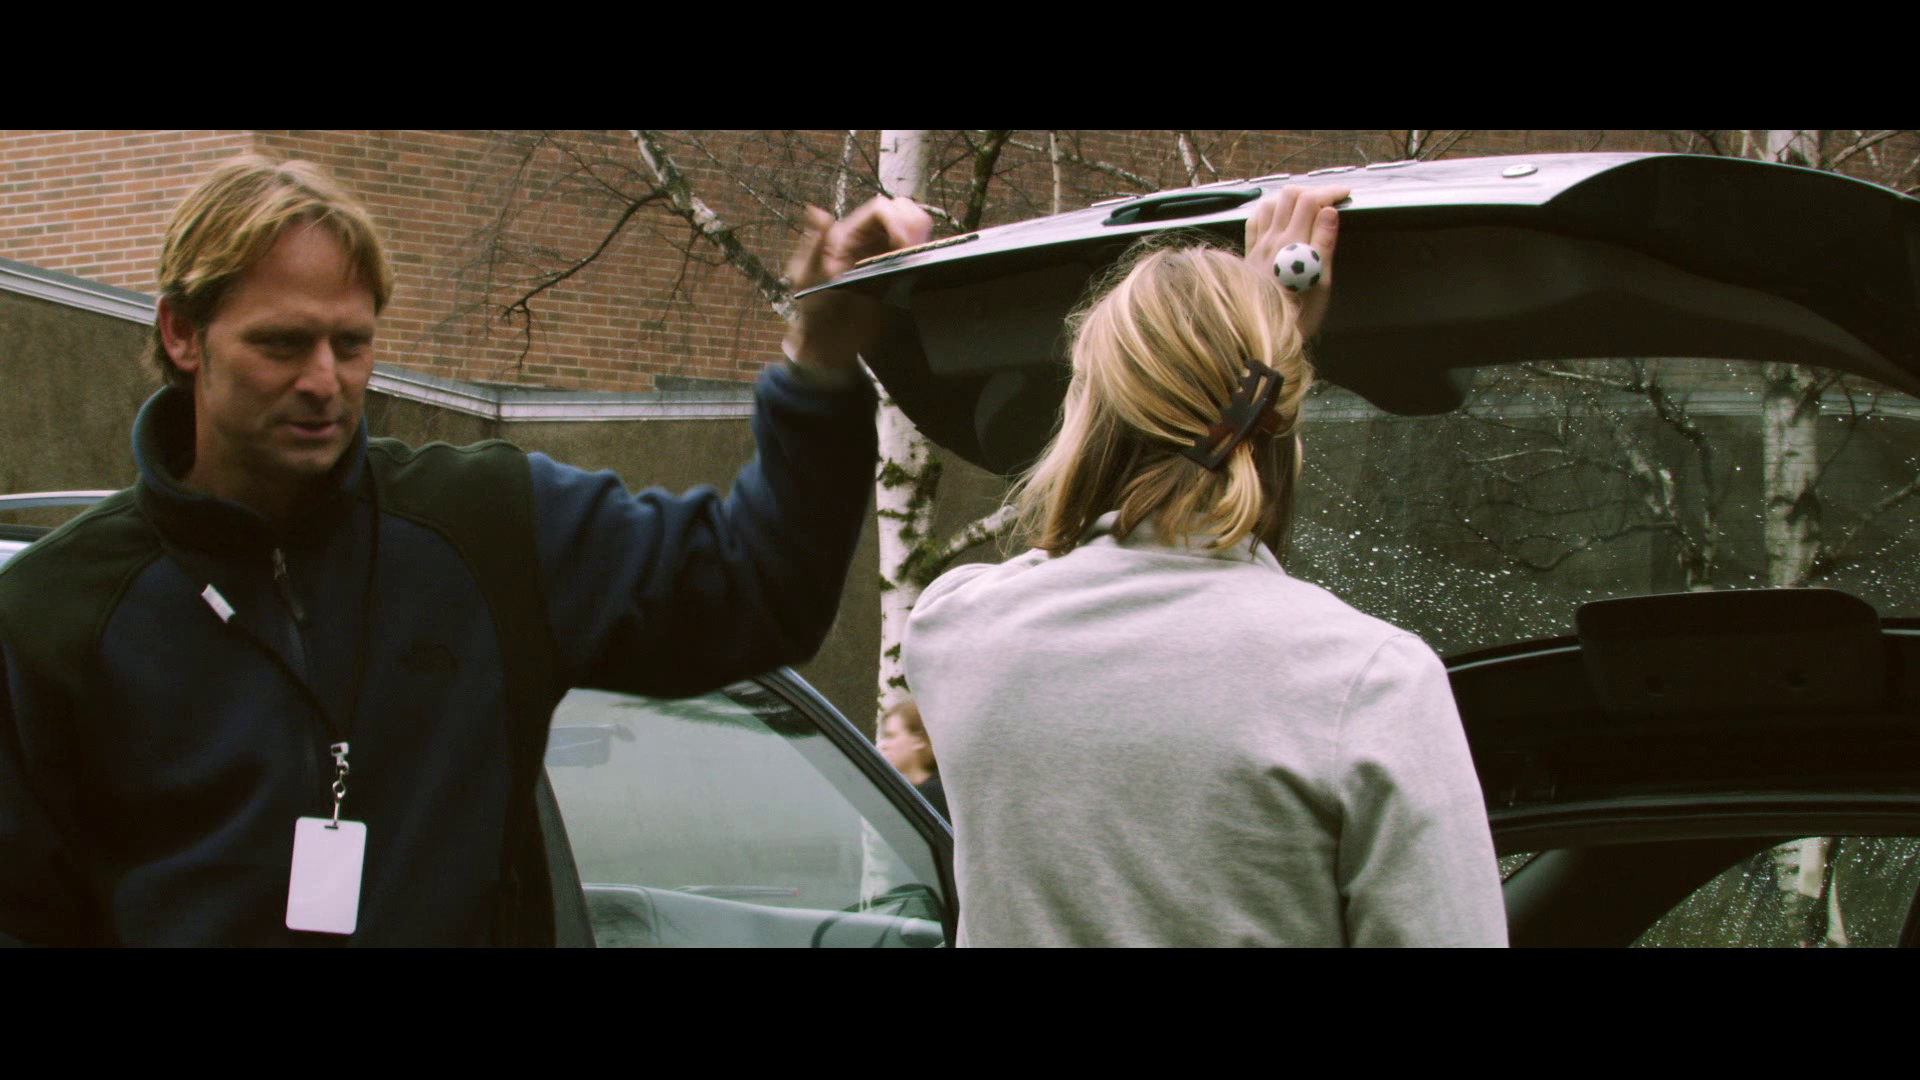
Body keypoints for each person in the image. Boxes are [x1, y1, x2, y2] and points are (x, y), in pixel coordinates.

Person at [0, 155, 930, 946]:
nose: (324, 380)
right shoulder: (54, 614)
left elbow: (756, 590)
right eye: (282, 344)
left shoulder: (487, 527)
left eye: (351, 344)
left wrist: (820, 363)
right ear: (181, 333)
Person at [901, 188, 1507, 947]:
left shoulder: (957, 632)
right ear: (1275, 414)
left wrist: (1252, 350)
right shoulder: (1368, 679)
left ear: (1088, 412)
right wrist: (1251, 352)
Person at [877, 698, 947, 820]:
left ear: (918, 741)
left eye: (890, 736)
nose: (882, 745)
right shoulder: (916, 794)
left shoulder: (933, 798)